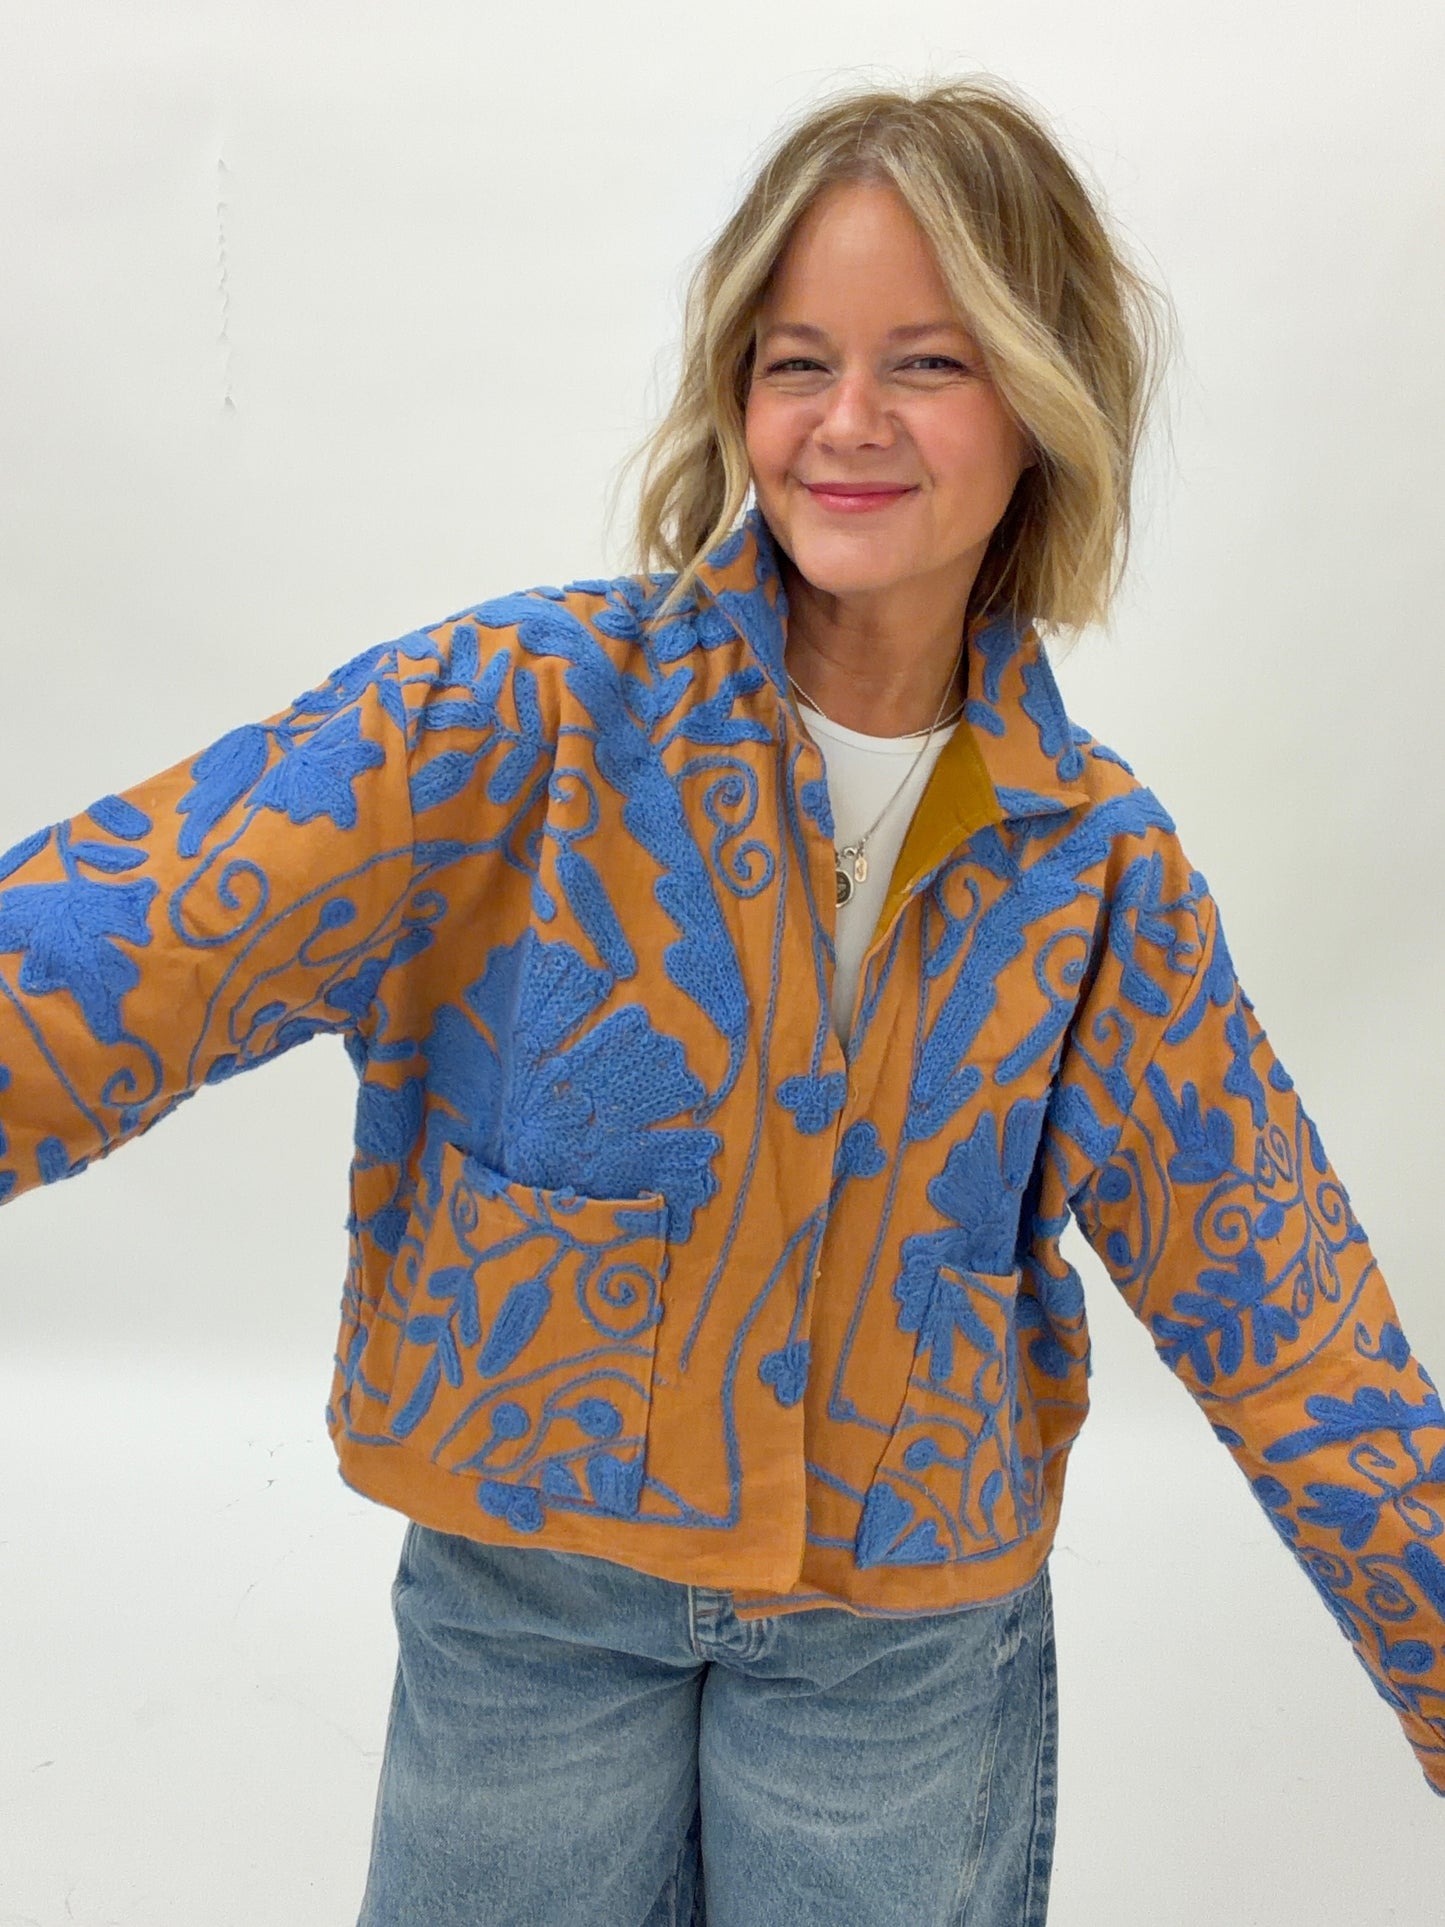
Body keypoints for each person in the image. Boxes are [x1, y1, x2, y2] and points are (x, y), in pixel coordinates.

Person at [1, 71, 1441, 1927]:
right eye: (793, 360)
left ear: (1040, 398)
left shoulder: (1095, 867)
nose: (846, 423)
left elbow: (1287, 1309)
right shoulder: (517, 712)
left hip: (897, 1650)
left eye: (926, 362)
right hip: (529, 1594)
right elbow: (121, 949)